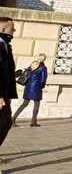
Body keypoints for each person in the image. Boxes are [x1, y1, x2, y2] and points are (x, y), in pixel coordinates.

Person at [12, 53, 48, 127]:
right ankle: (33, 121)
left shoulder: (32, 65)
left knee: (24, 104)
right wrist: (42, 86)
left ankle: (13, 119)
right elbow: (43, 80)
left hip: (28, 87)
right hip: (36, 88)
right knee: (36, 105)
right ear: (44, 59)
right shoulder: (43, 67)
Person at [0, 17, 18, 163]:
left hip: (5, 94)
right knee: (3, 123)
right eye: (12, 28)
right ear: (3, 30)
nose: (14, 30)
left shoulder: (5, 45)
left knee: (5, 123)